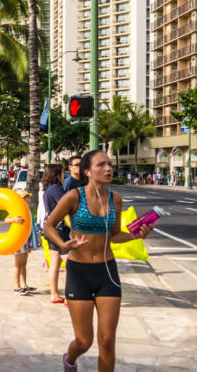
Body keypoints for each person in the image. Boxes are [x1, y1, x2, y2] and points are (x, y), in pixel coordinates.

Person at [43, 150, 152, 372]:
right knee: (84, 341)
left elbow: (114, 235)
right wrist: (63, 245)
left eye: (109, 164)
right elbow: (48, 225)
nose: (108, 168)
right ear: (87, 171)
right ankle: (70, 359)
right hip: (79, 273)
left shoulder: (115, 199)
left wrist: (135, 235)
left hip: (107, 273)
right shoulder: (74, 196)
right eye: (101, 165)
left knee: (107, 341)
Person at [41, 163, 68, 304]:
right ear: (57, 174)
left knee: (55, 262)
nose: (64, 175)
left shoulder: (47, 190)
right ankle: (70, 296)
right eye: (62, 173)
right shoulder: (56, 189)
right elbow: (65, 205)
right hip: (59, 229)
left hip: (50, 228)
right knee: (71, 263)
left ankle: (55, 294)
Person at [11, 188, 36, 295]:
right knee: (18, 264)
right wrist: (14, 220)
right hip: (18, 240)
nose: (28, 199)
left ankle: (24, 285)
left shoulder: (27, 209)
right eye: (26, 197)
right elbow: (6, 219)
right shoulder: (16, 209)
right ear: (22, 199)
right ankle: (17, 287)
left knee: (24, 264)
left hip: (26, 240)